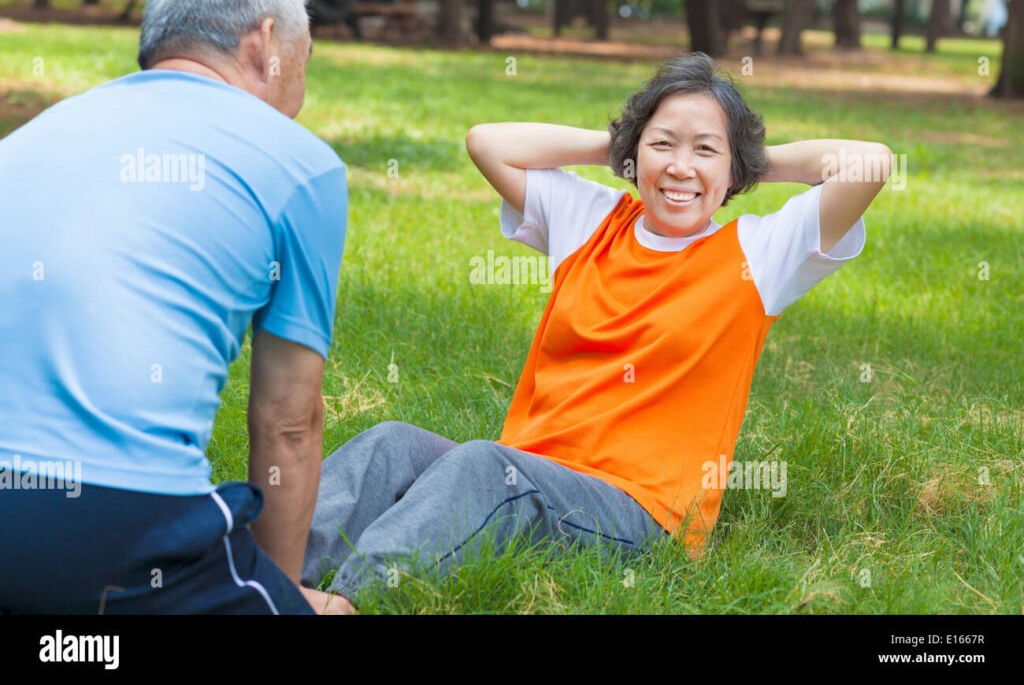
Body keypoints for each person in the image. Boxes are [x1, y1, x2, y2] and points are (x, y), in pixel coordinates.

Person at [300, 52, 894, 614]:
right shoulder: (591, 220)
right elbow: (487, 142)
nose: (681, 167)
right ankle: (265, 573)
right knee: (391, 443)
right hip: (528, 469)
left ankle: (346, 601)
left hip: (639, 511)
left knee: (485, 468)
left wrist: (749, 158)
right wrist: (622, 147)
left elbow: (871, 162)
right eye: (662, 144)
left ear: (735, 168)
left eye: (706, 151)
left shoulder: (759, 254)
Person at [0, 0, 346, 614]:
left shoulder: (28, 139)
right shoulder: (302, 164)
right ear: (265, 42)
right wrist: (283, 594)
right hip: (108, 529)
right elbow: (288, 422)